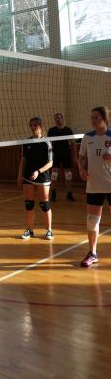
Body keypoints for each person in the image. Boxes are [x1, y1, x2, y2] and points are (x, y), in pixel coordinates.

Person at [78, 106, 111, 268]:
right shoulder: (87, 137)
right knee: (92, 222)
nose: (93, 120)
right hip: (93, 184)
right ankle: (92, 253)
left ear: (104, 119)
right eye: (91, 117)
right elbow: (81, 158)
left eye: (96, 117)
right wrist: (81, 170)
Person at [17, 117, 54, 240]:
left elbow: (50, 163)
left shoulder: (47, 142)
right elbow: (23, 160)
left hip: (42, 177)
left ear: (41, 127)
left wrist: (38, 171)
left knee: (45, 204)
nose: (33, 128)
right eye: (31, 125)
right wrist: (19, 175)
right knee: (29, 204)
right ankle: (29, 230)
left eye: (35, 125)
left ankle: (49, 230)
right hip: (28, 177)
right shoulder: (26, 142)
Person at [48, 113, 77, 202]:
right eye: (56, 118)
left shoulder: (68, 130)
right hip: (55, 155)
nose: (58, 119)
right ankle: (53, 194)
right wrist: (49, 157)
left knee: (68, 175)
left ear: (62, 119)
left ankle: (69, 193)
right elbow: (48, 144)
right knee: (54, 175)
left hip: (66, 154)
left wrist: (75, 157)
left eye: (59, 118)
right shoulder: (51, 130)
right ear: (55, 120)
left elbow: (73, 144)